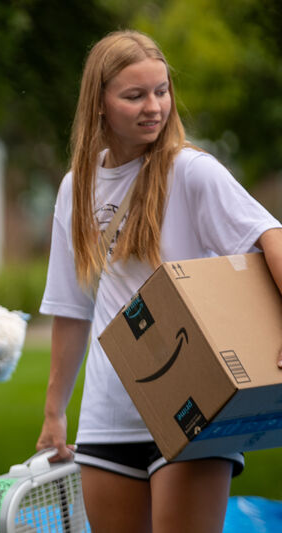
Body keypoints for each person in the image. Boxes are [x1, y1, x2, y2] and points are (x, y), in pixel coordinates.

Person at [36, 29, 282, 533]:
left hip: (196, 406)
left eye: (161, 91)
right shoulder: (75, 188)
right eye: (135, 95)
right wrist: (54, 411)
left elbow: (271, 238)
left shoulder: (191, 171)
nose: (154, 107)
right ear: (99, 103)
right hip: (107, 415)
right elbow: (72, 308)